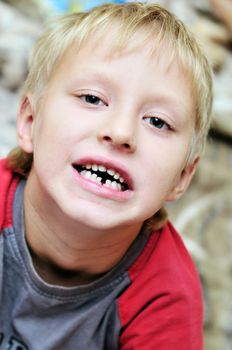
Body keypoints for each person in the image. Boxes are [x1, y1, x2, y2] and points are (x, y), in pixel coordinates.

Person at [0, 2, 213, 349]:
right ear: (29, 123)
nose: (120, 131)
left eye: (157, 121)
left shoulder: (167, 298)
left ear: (182, 177)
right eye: (92, 98)